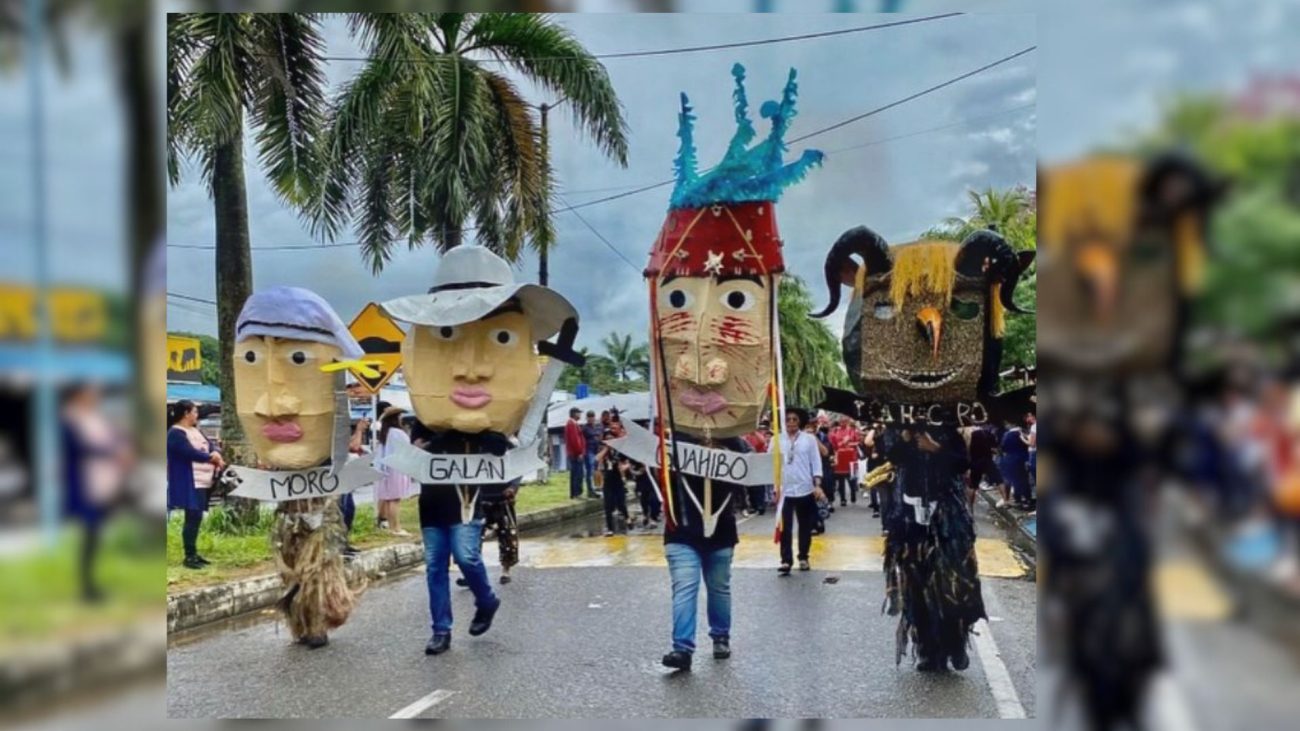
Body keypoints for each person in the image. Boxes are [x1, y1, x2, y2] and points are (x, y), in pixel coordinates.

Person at [380, 245, 581, 656]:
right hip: (434, 502)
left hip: (469, 503)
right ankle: (441, 629)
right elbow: (409, 454)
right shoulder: (428, 430)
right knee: (435, 565)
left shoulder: (493, 437)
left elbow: (512, 459)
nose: (470, 367)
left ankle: (486, 598)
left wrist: (503, 479)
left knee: (466, 555)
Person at [62, 384, 131, 601]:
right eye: (90, 393)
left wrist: (121, 450)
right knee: (89, 534)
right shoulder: (69, 419)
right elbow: (79, 448)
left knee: (96, 534)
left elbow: (112, 438)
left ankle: (91, 583)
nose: (94, 397)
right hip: (85, 483)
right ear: (78, 395)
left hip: (103, 482)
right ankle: (86, 587)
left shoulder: (94, 417)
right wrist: (111, 452)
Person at [167, 400, 222, 571]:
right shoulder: (176, 433)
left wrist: (216, 453)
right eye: (195, 412)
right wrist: (210, 458)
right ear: (186, 413)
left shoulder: (195, 430)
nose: (197, 415)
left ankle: (194, 553)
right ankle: (189, 555)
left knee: (196, 518)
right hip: (191, 481)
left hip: (203, 480)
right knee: (192, 517)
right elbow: (188, 452)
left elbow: (210, 446)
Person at [777, 408, 824, 574]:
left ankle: (803, 557)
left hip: (805, 488)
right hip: (785, 490)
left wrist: (817, 485)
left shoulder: (809, 439)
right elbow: (768, 462)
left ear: (800, 421)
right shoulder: (777, 439)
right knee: (785, 527)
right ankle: (786, 560)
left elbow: (816, 463)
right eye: (788, 419)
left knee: (805, 525)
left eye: (794, 419)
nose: (791, 422)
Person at [375, 406, 415, 536]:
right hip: (397, 468)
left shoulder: (385, 433)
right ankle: (396, 528)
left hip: (386, 468)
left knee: (389, 499)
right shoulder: (397, 433)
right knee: (395, 499)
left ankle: (391, 526)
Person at [596, 412, 629, 536]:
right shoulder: (604, 450)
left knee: (621, 503)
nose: (610, 441)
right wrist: (606, 450)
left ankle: (627, 518)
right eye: (607, 439)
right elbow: (597, 459)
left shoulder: (619, 451)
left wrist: (624, 471)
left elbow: (626, 462)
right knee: (608, 505)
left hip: (618, 479)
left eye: (611, 439)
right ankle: (610, 528)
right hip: (607, 480)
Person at [999, 417, 1032, 511]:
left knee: (1013, 480)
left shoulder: (1007, 435)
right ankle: (1026, 500)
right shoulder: (1023, 433)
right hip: (1022, 459)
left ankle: (1017, 500)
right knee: (1023, 480)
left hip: (1010, 459)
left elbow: (1003, 447)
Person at [830, 415, 859, 507]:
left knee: (852, 478)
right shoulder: (836, 431)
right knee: (841, 479)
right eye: (841, 421)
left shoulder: (852, 431)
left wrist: (849, 443)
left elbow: (858, 442)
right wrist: (842, 443)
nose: (843, 423)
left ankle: (853, 494)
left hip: (851, 457)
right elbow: (834, 445)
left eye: (845, 421)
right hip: (840, 457)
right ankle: (843, 499)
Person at [565, 407, 586, 499]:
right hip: (576, 454)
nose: (580, 415)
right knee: (578, 474)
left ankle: (575, 493)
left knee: (576, 473)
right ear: (574, 414)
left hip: (574, 453)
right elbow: (575, 440)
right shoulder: (572, 424)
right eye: (579, 413)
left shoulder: (572, 423)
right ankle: (577, 493)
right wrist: (579, 452)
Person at [581, 410, 603, 498]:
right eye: (589, 417)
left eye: (592, 417)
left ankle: (597, 488)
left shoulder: (598, 427)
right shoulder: (584, 428)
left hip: (596, 450)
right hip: (588, 450)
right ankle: (590, 490)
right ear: (587, 418)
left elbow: (601, 436)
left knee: (596, 470)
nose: (591, 419)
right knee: (590, 470)